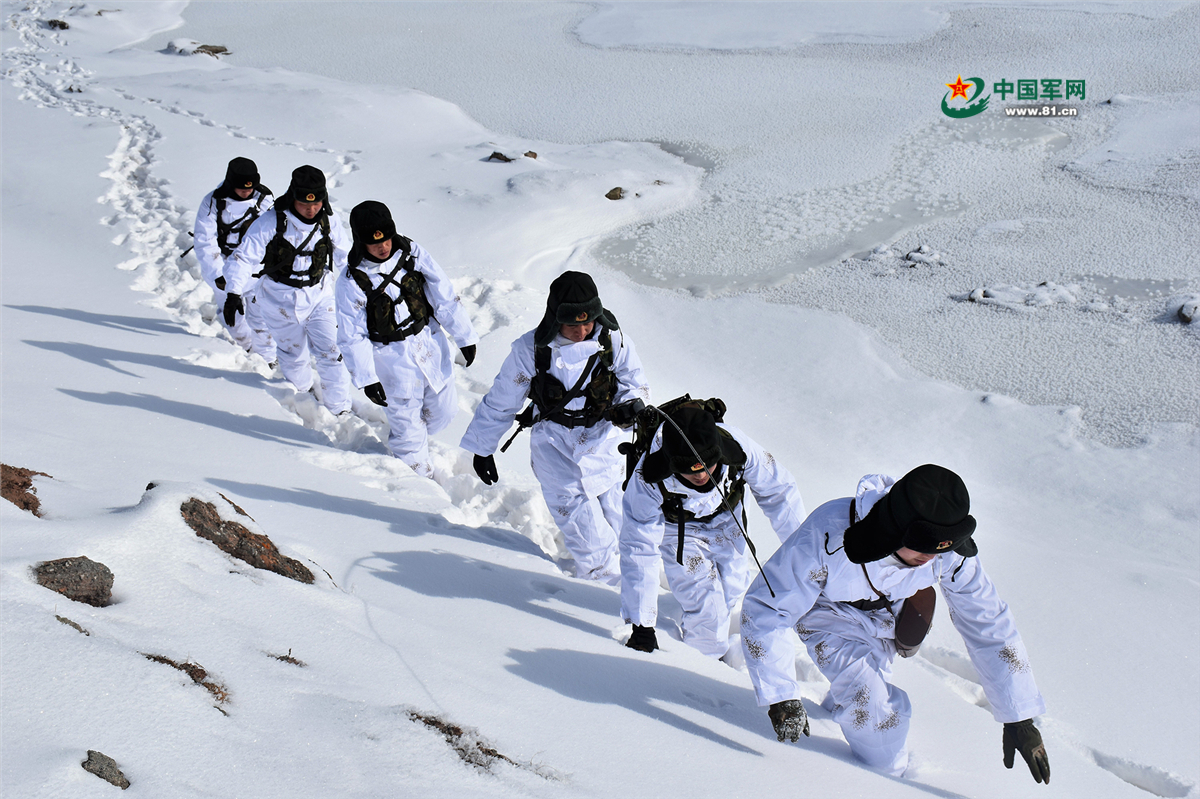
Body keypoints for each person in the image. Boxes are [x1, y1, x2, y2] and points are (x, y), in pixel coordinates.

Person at [740, 464, 1050, 784]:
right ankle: (885, 782)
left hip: (890, 618)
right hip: (829, 615)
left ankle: (834, 712)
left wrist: (1019, 717)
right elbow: (766, 607)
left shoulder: (947, 550)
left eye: (939, 549)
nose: (931, 558)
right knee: (874, 714)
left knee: (862, 689)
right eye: (923, 546)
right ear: (895, 529)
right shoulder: (828, 533)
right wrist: (780, 693)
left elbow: (987, 621)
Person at [461, 271, 650, 583]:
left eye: (587, 322)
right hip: (554, 445)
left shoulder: (613, 341)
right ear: (554, 317)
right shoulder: (531, 350)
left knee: (621, 520)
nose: (581, 331)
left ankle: (637, 581)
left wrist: (631, 406)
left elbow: (634, 382)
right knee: (580, 523)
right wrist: (483, 448)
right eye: (572, 324)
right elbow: (502, 400)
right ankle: (602, 582)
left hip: (605, 442)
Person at [620, 403, 807, 659]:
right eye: (689, 471)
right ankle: (701, 663)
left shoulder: (739, 447)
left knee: (733, 586)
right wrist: (642, 624)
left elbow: (780, 492)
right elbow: (639, 546)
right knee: (707, 609)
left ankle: (705, 631)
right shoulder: (648, 479)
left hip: (728, 519)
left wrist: (805, 556)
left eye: (708, 466)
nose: (701, 476)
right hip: (680, 531)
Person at [335, 200, 480, 479]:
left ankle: (413, 437)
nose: (383, 246)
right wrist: (367, 378)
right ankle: (417, 481)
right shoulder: (352, 281)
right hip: (392, 360)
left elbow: (442, 291)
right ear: (361, 242)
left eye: (386, 238)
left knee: (445, 412)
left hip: (429, 343)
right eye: (374, 242)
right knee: (408, 428)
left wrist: (464, 335)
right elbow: (352, 335)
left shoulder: (411, 254)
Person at [222, 165, 353, 415]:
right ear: (293, 197)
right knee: (292, 355)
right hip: (279, 299)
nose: (311, 209)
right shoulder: (271, 221)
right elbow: (244, 258)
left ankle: (339, 409)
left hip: (319, 295)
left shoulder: (329, 221)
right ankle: (302, 397)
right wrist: (233, 293)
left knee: (332, 351)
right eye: (304, 203)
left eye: (316, 203)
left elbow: (346, 258)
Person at [192, 157, 277, 364]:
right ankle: (245, 348)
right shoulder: (213, 202)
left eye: (250, 187)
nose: (247, 192)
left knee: (262, 318)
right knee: (234, 319)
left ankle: (267, 358)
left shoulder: (265, 200)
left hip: (256, 267)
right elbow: (205, 241)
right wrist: (219, 276)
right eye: (241, 188)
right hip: (225, 267)